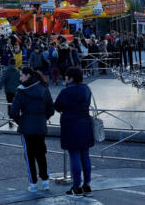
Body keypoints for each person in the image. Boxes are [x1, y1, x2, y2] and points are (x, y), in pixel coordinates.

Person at [9, 67, 55, 193]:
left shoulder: (21, 91)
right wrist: (43, 118)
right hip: (40, 125)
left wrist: (21, 121)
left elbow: (13, 112)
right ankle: (45, 181)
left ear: (28, 75)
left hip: (26, 127)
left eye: (21, 76)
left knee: (29, 155)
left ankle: (33, 183)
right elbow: (51, 109)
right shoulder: (43, 88)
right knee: (41, 153)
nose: (20, 78)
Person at [54, 67, 94, 198]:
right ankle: (87, 185)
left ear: (71, 78)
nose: (64, 79)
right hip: (85, 124)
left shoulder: (66, 92)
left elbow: (57, 106)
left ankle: (76, 187)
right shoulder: (86, 89)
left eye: (66, 77)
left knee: (74, 155)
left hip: (71, 125)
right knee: (85, 155)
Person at [1, 58, 20, 127]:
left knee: (9, 105)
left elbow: (3, 79)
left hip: (8, 91)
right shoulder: (18, 71)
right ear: (15, 63)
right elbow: (20, 80)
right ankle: (17, 120)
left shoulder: (6, 71)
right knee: (16, 104)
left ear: (9, 63)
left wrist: (0, 87)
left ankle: (10, 120)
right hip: (16, 91)